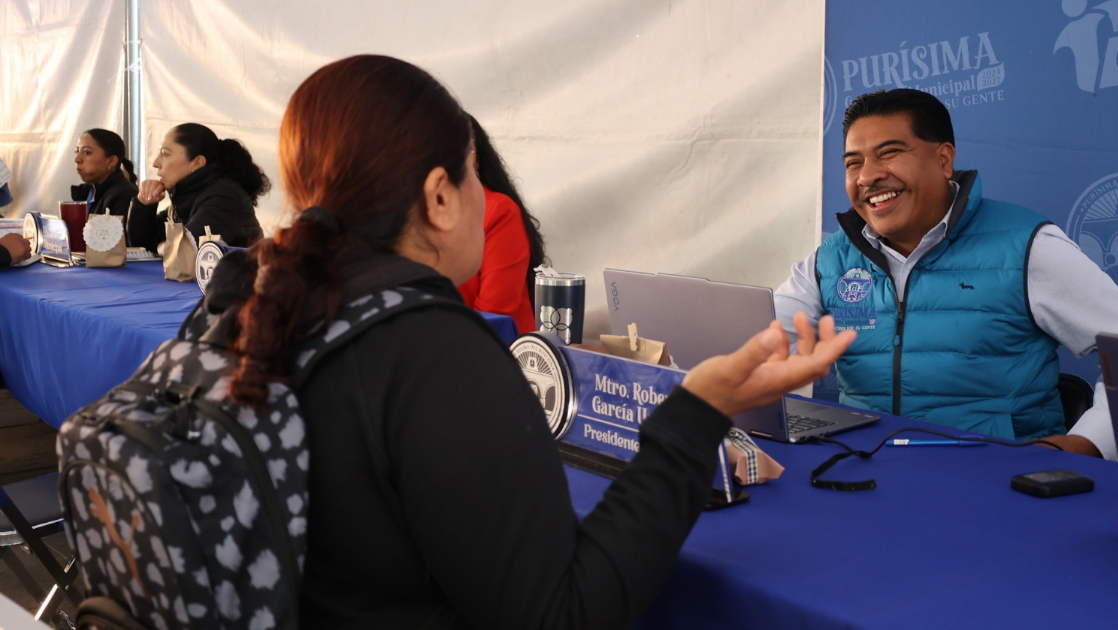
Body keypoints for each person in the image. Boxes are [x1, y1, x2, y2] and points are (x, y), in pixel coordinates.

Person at [202, 54, 854, 629]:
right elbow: (564, 612)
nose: (486, 196)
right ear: (439, 197)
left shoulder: (250, 309)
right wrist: (696, 415)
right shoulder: (433, 353)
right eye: (473, 174)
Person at [775, 88, 1118, 461]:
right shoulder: (831, 259)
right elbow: (759, 346)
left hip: (999, 480)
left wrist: (1085, 444)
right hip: (861, 471)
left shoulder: (1026, 246)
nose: (867, 176)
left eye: (888, 153)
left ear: (944, 159)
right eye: (853, 163)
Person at [456, 114, 548, 333]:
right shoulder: (409, 211)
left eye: (464, 151)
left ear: (477, 160)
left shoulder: (499, 211)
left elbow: (494, 314)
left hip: (494, 345)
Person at [127, 123, 268, 249]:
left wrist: (163, 247)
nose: (155, 163)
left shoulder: (224, 196)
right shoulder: (187, 195)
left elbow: (183, 249)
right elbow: (143, 246)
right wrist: (143, 204)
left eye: (165, 154)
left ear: (197, 163)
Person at [69, 128, 139, 218]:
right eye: (77, 151)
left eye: (86, 152)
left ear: (111, 161)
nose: (77, 159)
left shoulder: (125, 195)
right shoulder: (87, 192)